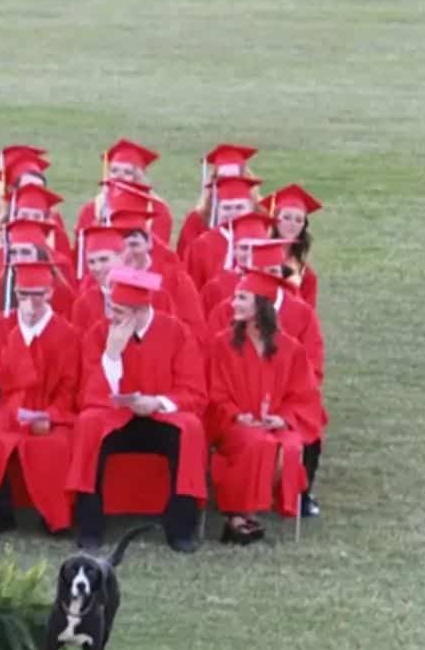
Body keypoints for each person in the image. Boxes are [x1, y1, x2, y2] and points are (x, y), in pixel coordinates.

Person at [66, 266, 207, 552]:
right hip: (115, 417)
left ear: (139, 310)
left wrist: (157, 402)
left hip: (161, 416)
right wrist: (112, 354)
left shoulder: (177, 332)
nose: (111, 317)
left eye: (118, 311)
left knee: (190, 428)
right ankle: (90, 526)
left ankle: (181, 527)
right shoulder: (99, 334)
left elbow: (194, 390)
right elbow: (90, 393)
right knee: (88, 423)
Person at [207, 270, 323, 544]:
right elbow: (215, 390)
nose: (233, 303)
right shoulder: (222, 344)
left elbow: (304, 395)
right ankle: (241, 514)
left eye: (241, 298)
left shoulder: (291, 349)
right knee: (256, 442)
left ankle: (245, 512)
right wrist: (238, 415)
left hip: (274, 422)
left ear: (261, 305)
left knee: (291, 446)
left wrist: (282, 419)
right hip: (232, 423)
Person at [0, 261, 81, 533]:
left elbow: (69, 387)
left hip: (51, 410)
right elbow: (6, 378)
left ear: (51, 293)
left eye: (38, 294)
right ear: (15, 293)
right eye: (23, 294)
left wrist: (50, 416)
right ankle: (0, 512)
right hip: (11, 406)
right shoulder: (1, 325)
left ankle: (53, 518)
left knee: (55, 445)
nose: (30, 301)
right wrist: (23, 333)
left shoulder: (66, 332)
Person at [177, 143, 258, 256]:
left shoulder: (262, 215)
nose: (229, 183)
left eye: (236, 178)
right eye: (222, 179)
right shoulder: (197, 220)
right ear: (213, 182)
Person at [266, 183, 324, 306]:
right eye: (286, 217)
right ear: (275, 220)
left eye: (298, 220)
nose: (292, 224)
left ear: (303, 226)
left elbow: (308, 315)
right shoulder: (256, 259)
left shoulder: (307, 274)